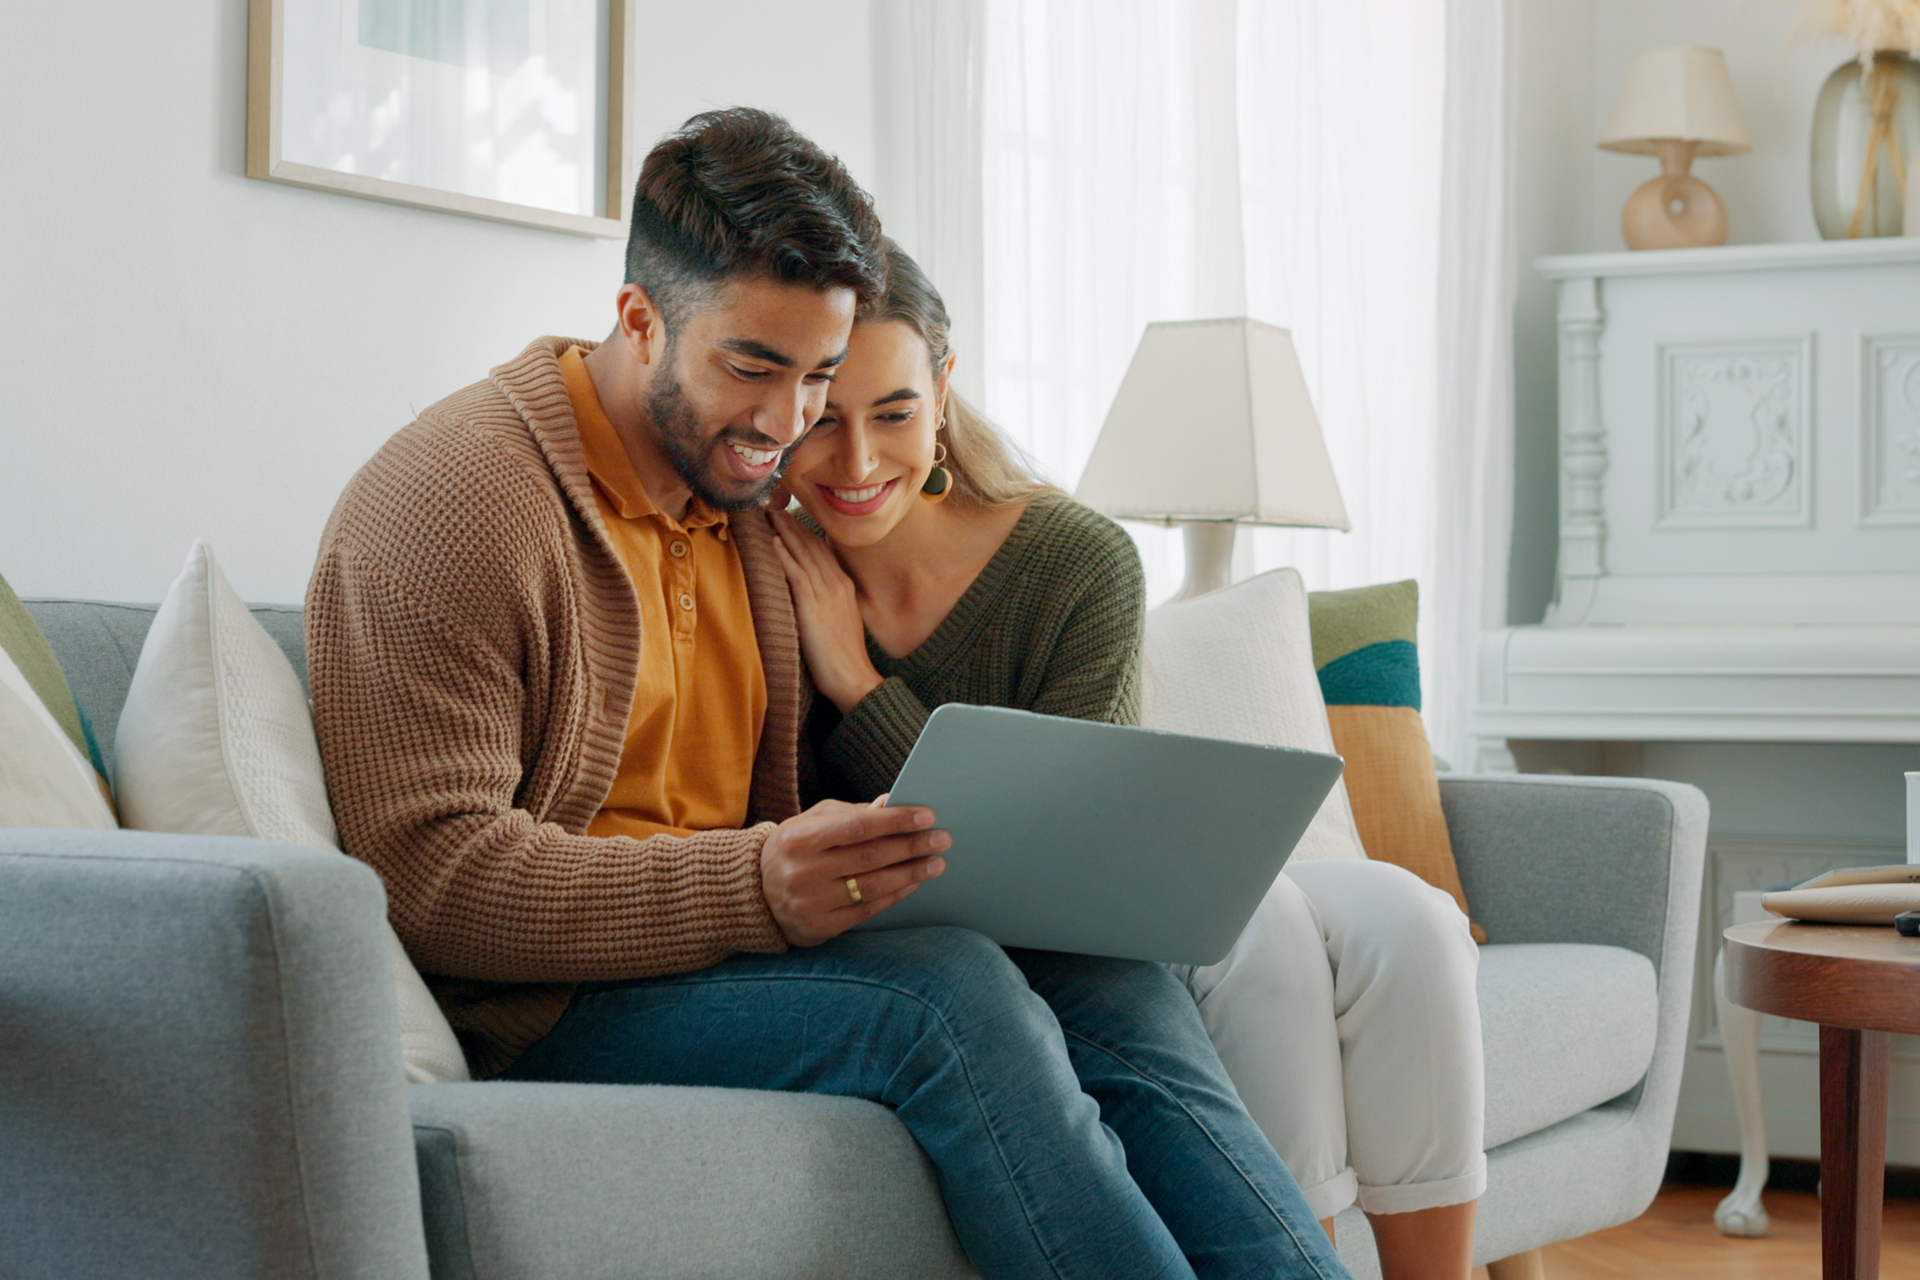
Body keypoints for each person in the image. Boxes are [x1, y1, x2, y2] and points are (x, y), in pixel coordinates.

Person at [308, 107, 1347, 1280]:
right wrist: (752, 881)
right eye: (751, 367)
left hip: (728, 951)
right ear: (639, 319)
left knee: (1109, 977)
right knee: (942, 995)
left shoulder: (749, 501)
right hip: (551, 995)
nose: (787, 425)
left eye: (816, 375)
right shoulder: (459, 503)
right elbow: (428, 879)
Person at [771, 242, 1485, 1280]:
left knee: (1388, 920)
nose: (857, 461)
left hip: (1085, 928)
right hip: (915, 946)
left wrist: (858, 685)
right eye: (824, 416)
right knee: (1274, 929)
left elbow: (1070, 870)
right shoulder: (762, 568)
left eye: (892, 412)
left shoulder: (1072, 559)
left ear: (943, 393)